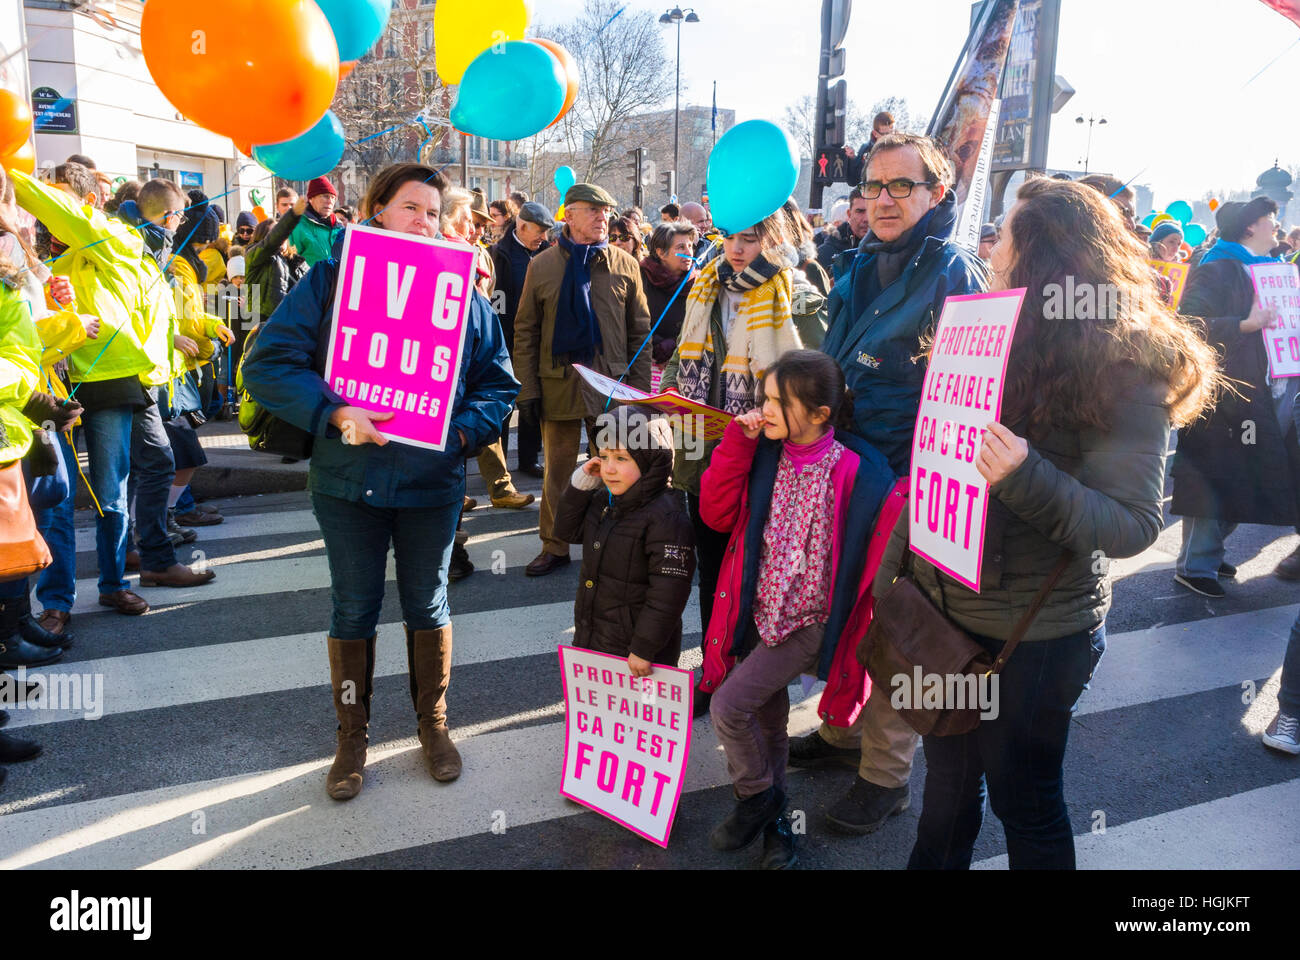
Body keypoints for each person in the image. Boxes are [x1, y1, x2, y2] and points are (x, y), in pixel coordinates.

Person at [894, 176, 1220, 869]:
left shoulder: (1126, 364)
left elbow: (1134, 525)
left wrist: (1023, 475)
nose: (992, 247)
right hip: (943, 609)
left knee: (1027, 803)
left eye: (1004, 236)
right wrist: (901, 568)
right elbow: (934, 464)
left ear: (1042, 254)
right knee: (946, 791)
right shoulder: (983, 331)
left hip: (1034, 638)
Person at [241, 163, 519, 799]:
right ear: (377, 211)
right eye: (409, 208)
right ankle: (351, 738)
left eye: (432, 211)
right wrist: (337, 413)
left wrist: (455, 435)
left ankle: (434, 725)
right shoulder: (331, 279)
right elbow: (268, 365)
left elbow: (498, 384)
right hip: (347, 484)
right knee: (353, 609)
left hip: (432, 483)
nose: (423, 222)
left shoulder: (464, 295)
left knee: (428, 605)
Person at [800, 132, 988, 835]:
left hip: (911, 486)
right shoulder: (860, 264)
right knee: (848, 611)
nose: (881, 199)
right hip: (851, 470)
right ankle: (841, 734)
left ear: (936, 194)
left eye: (900, 186)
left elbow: (971, 397)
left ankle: (885, 775)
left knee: (897, 627)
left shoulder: (954, 273)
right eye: (872, 187)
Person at [702, 350, 894, 869]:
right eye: (762, 397)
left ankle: (756, 797)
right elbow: (715, 515)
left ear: (818, 414)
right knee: (766, 725)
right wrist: (735, 444)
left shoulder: (856, 470)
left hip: (807, 623)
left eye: (774, 402)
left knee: (727, 708)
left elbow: (871, 551)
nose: (760, 409)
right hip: (755, 612)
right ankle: (777, 824)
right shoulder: (762, 451)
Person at [13, 164, 215, 614]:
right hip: (56, 389)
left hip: (119, 386)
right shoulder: (37, 260)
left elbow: (151, 322)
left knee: (122, 486)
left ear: (85, 204)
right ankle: (61, 602)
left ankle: (116, 579)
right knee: (69, 498)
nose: (49, 210)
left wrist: (174, 362)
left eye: (61, 198)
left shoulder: (116, 243)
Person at [663, 210, 804, 716]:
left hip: (763, 456)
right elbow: (684, 357)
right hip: (703, 454)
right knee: (711, 565)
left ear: (772, 240)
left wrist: (765, 413)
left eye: (751, 239)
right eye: (731, 238)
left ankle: (753, 678)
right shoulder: (705, 286)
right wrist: (668, 393)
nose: (738, 249)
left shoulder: (794, 292)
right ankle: (714, 669)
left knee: (754, 570)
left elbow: (806, 378)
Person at [513, 182, 653, 578]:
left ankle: (613, 543)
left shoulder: (624, 264)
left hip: (610, 388)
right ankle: (554, 546)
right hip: (558, 384)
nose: (602, 217)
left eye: (606, 210)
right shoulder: (541, 266)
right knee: (558, 473)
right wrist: (527, 390)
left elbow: (639, 334)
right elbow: (526, 332)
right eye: (593, 209)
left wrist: (638, 395)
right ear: (568, 215)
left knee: (617, 469)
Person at [1172, 197, 1300, 594]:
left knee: (1247, 475)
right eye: (1271, 219)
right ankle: (1195, 566)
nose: (1276, 226)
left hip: (1268, 390)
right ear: (1249, 228)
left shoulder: (1273, 270)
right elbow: (1187, 325)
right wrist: (1244, 324)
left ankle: (1208, 555)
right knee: (1217, 475)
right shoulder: (1217, 268)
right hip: (1228, 394)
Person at [553, 406, 695, 674]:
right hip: (595, 637)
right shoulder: (604, 501)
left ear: (650, 459)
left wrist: (643, 648)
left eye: (621, 458)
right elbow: (566, 531)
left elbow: (668, 594)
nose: (609, 469)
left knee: (646, 714)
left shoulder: (667, 518)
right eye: (604, 457)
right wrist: (582, 482)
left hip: (639, 652)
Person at [442, 187, 532, 511]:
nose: (477, 230)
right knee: (451, 426)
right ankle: (457, 490)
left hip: (478, 348)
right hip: (449, 353)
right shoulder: (446, 252)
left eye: (481, 224)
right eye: (471, 222)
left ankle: (499, 487)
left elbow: (491, 299)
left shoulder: (482, 254)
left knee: (481, 419)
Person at [490, 201, 554, 480]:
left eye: (546, 232)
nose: (543, 237)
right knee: (504, 406)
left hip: (539, 342)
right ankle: (500, 463)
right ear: (522, 226)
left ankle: (530, 458)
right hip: (506, 340)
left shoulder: (548, 255)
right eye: (539, 231)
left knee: (532, 401)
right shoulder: (498, 254)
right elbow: (496, 302)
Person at [640, 220, 698, 369]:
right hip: (645, 360)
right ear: (661, 253)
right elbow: (632, 322)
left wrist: (673, 345)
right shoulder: (641, 277)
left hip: (684, 363)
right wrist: (658, 345)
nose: (688, 252)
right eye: (681, 247)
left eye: (690, 246)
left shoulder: (699, 282)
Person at [816, 185, 870, 280]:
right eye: (860, 211)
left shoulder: (890, 252)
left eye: (870, 211)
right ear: (849, 214)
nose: (866, 219)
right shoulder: (824, 254)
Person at [289, 177, 344, 267]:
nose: (330, 201)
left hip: (337, 280)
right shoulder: (297, 226)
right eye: (325, 196)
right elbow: (290, 261)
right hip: (309, 280)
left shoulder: (340, 228)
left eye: (333, 197)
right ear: (311, 199)